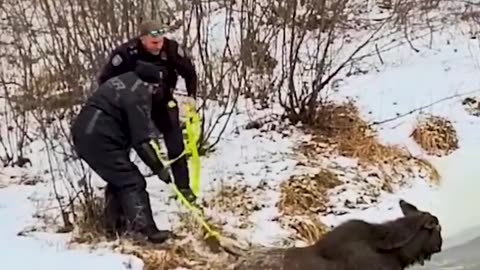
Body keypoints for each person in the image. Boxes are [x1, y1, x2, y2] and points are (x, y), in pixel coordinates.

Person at [71, 61, 178, 243]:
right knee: (132, 182)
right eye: (156, 88)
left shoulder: (125, 81)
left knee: (118, 180)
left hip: (86, 133)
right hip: (99, 139)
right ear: (151, 85)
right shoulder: (138, 95)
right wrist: (160, 169)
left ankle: (115, 227)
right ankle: (146, 231)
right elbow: (142, 141)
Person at [97, 19, 198, 204]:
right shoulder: (126, 53)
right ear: (143, 39)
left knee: (176, 145)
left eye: (160, 41)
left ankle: (184, 188)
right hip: (132, 106)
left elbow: (189, 71)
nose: (158, 45)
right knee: (125, 147)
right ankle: (119, 197)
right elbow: (105, 80)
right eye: (153, 42)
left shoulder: (171, 49)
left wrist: (191, 96)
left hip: (162, 101)